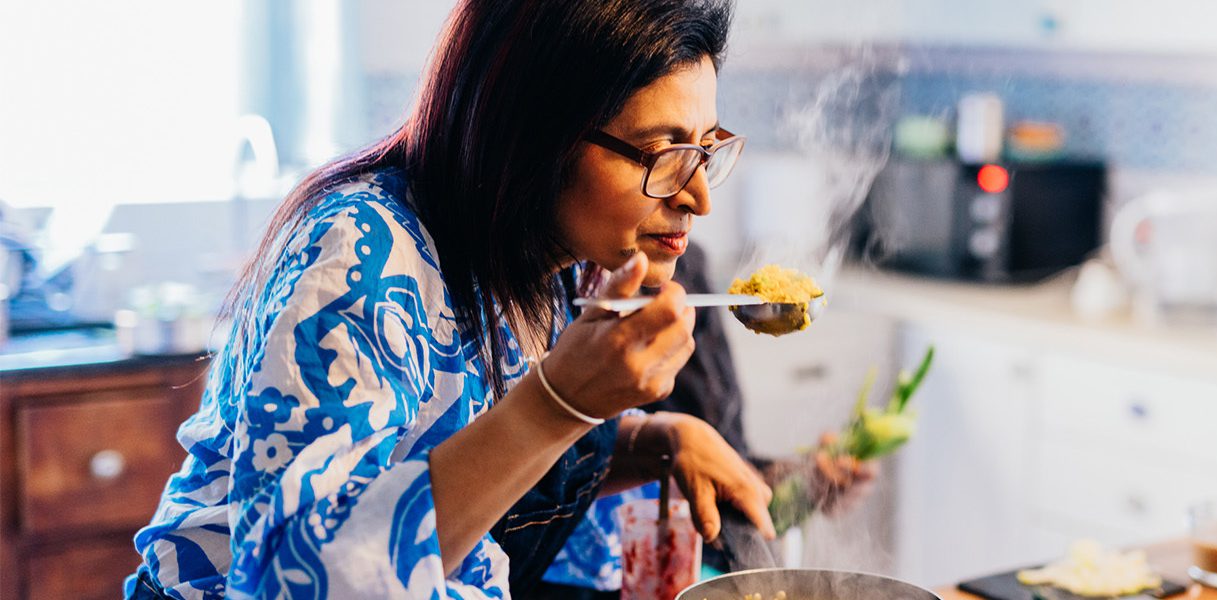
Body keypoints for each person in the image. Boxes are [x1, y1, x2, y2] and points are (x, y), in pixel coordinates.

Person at [125, 1, 775, 598]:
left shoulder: (552, 262)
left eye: (705, 149)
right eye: (662, 153)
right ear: (534, 133)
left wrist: (650, 440)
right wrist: (558, 404)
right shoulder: (360, 252)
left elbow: (466, 468)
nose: (698, 196)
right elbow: (299, 576)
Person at [531, 243, 876, 599]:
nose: (700, 210)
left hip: (695, 562)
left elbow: (719, 457)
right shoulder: (561, 284)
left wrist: (803, 482)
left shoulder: (686, 266)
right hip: (571, 578)